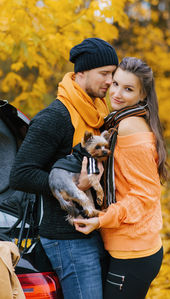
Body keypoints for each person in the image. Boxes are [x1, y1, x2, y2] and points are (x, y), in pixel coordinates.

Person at [9, 38, 118, 299]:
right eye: (104, 73)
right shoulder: (55, 117)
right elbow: (21, 174)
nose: (110, 81)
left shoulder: (96, 115)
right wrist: (72, 186)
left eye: (113, 74)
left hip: (92, 227)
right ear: (81, 72)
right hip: (67, 237)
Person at [74, 57, 168, 299]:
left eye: (128, 89)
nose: (116, 93)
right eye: (115, 84)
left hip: (134, 252)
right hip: (128, 248)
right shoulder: (118, 122)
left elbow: (145, 196)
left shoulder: (129, 128)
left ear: (143, 94)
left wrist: (102, 219)